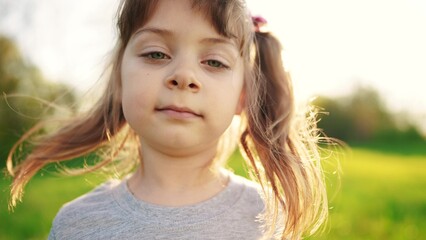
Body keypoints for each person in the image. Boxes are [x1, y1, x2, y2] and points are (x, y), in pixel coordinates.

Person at [7, 0, 328, 239]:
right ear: (119, 80)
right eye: (156, 54)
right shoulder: (77, 224)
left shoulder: (268, 218)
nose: (184, 76)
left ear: (243, 95)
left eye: (214, 62)